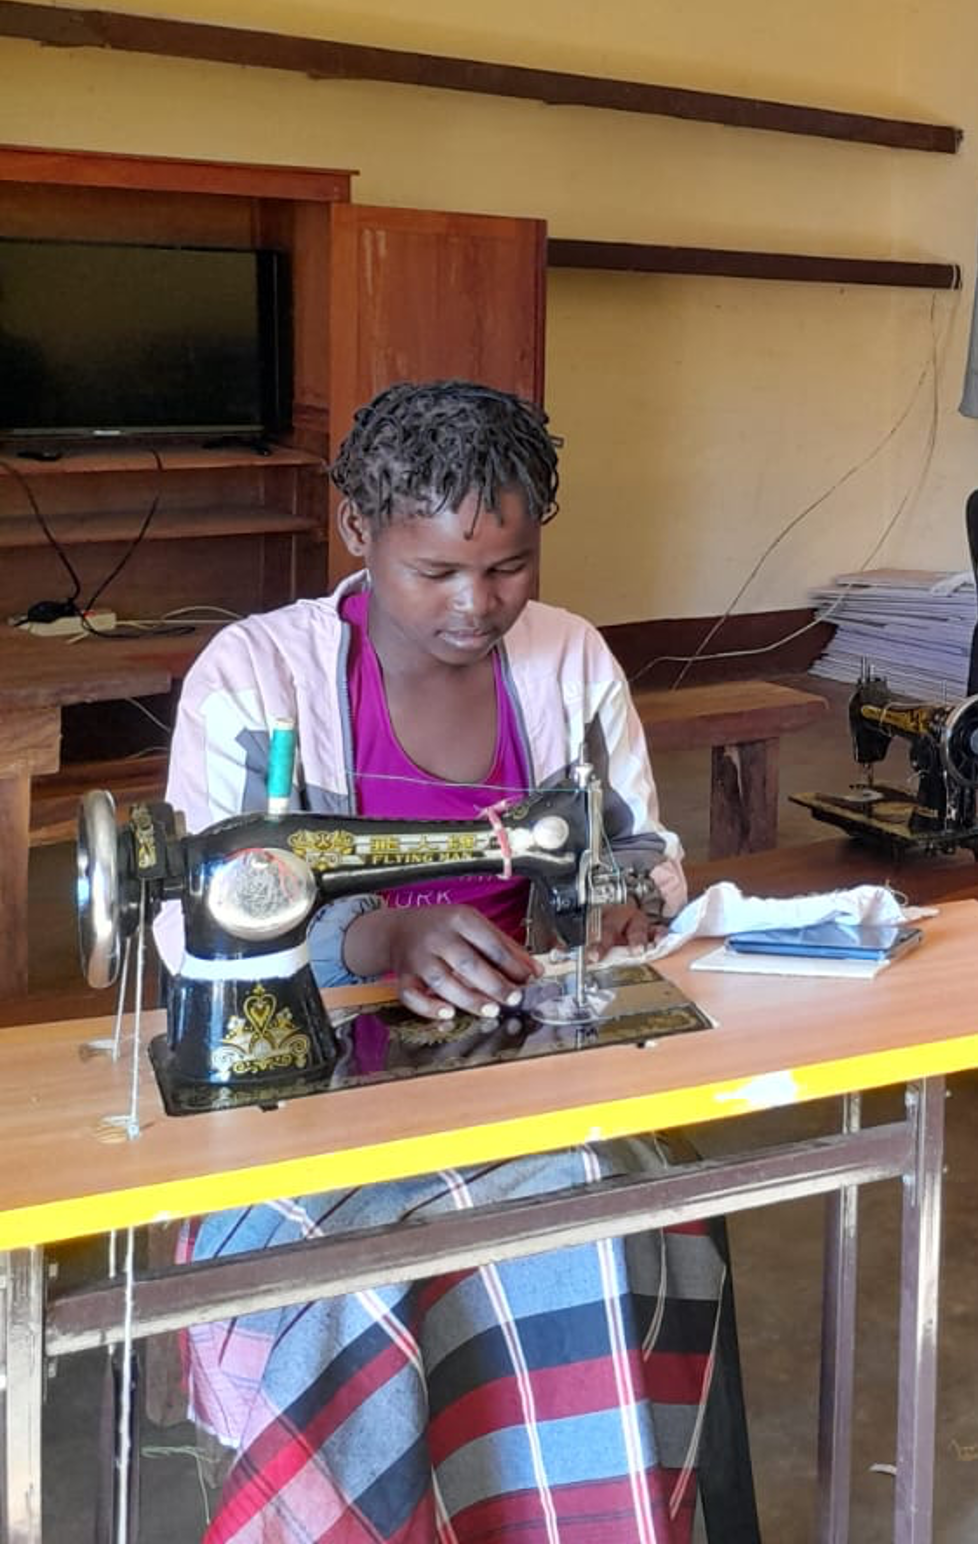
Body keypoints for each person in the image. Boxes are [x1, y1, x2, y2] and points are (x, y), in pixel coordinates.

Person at [159, 380, 719, 1544]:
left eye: (510, 566)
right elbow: (202, 913)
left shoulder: (570, 661)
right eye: (441, 571)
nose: (481, 604)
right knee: (336, 1277)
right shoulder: (256, 674)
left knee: (632, 1221)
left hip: (526, 1060)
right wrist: (376, 933)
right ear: (359, 533)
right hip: (304, 1081)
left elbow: (644, 853)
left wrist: (613, 908)